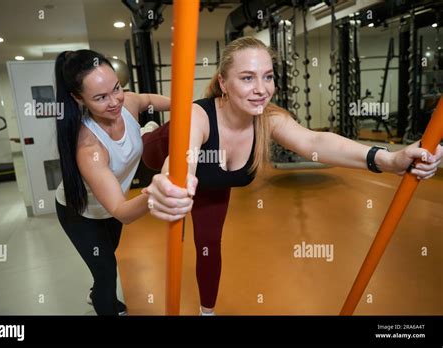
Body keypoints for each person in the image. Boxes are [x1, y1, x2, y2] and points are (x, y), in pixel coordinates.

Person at [141, 36, 443, 315]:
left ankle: (206, 312)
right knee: (145, 150)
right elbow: (182, 160)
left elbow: (314, 143)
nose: (262, 89)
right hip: (158, 149)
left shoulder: (267, 118)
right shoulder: (198, 116)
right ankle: (149, 129)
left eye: (268, 76)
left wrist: (389, 160)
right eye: (247, 78)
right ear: (223, 82)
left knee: (209, 243)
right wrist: (171, 182)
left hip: (213, 182)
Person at [54, 49, 196, 315]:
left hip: (111, 208)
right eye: (100, 97)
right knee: (107, 271)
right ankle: (103, 299)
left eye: (116, 88)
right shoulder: (89, 148)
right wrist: (158, 191)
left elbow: (149, 99)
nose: (115, 101)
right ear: (78, 98)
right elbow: (122, 211)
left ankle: (98, 289)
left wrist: (191, 107)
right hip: (81, 211)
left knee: (108, 259)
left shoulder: (126, 103)